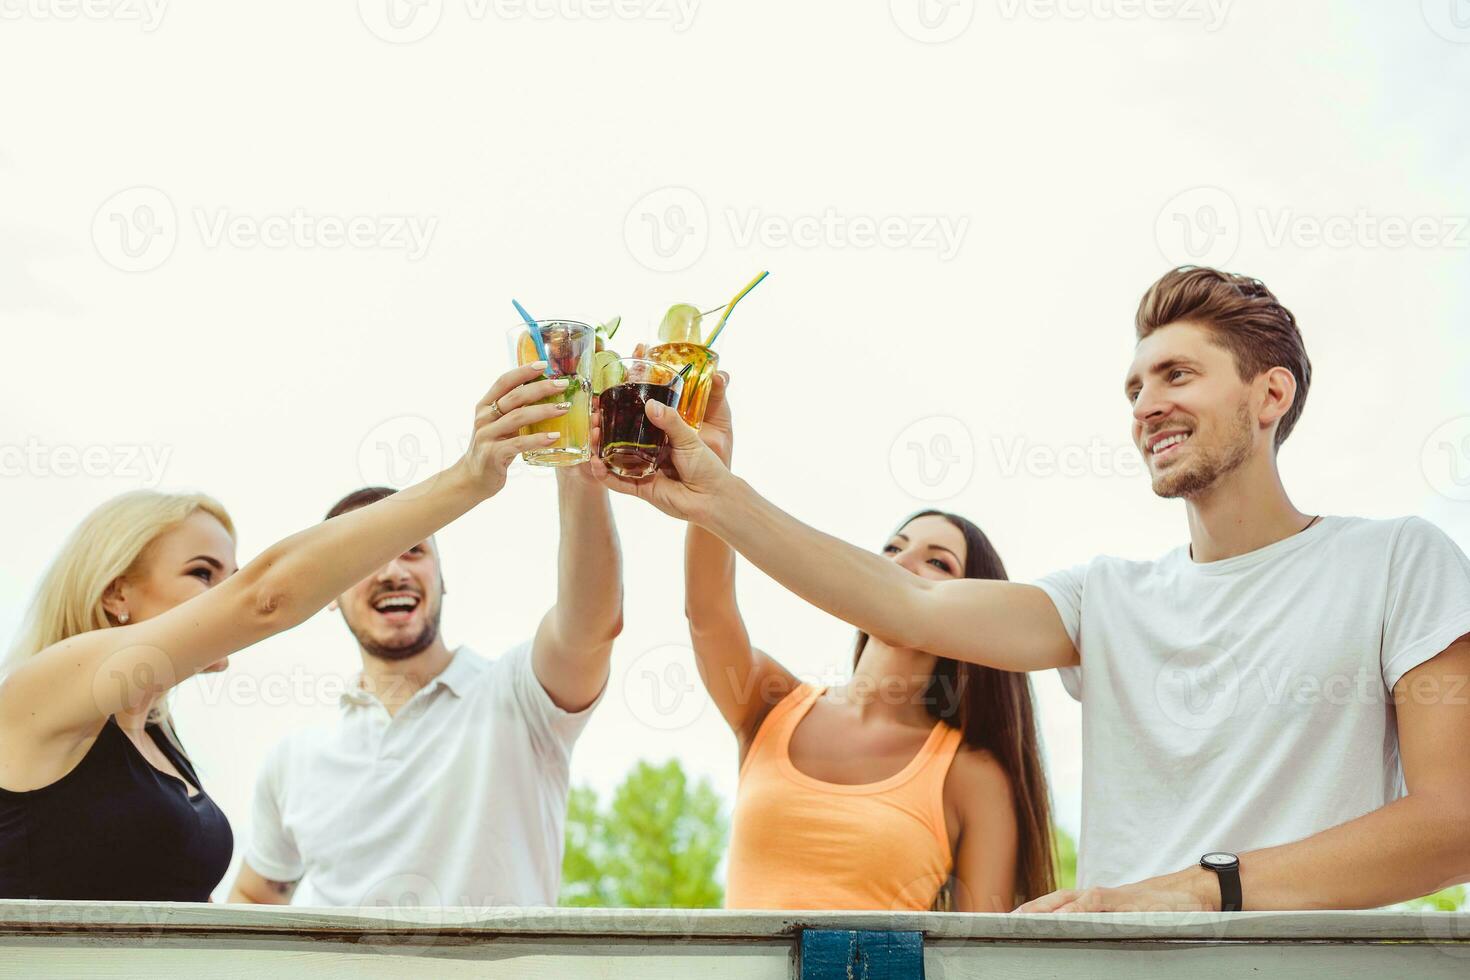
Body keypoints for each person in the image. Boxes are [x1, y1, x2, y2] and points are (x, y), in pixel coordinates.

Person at [592, 267, 1470, 913]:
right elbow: (907, 607)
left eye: (1177, 375)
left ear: (1270, 393)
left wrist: (1198, 890)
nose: (1145, 404)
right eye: (1134, 386)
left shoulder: (1399, 563)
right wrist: (720, 495)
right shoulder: (1106, 599)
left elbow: (1456, 820)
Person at [0, 362, 569, 902]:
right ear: (115, 592)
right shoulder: (47, 687)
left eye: (231, 575)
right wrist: (469, 478)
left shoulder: (158, 741)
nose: (224, 595)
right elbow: (263, 598)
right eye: (203, 573)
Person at [683, 376, 1055, 912]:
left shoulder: (972, 776)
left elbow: (984, 958)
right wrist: (713, 472)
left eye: (937, 561)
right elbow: (706, 613)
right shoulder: (772, 705)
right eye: (893, 548)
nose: (900, 565)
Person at [227, 460, 620, 908]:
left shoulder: (521, 695)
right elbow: (253, 900)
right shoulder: (292, 761)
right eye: (363, 555)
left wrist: (579, 475)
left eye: (413, 549)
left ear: (442, 577)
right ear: (329, 593)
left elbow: (591, 624)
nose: (393, 570)